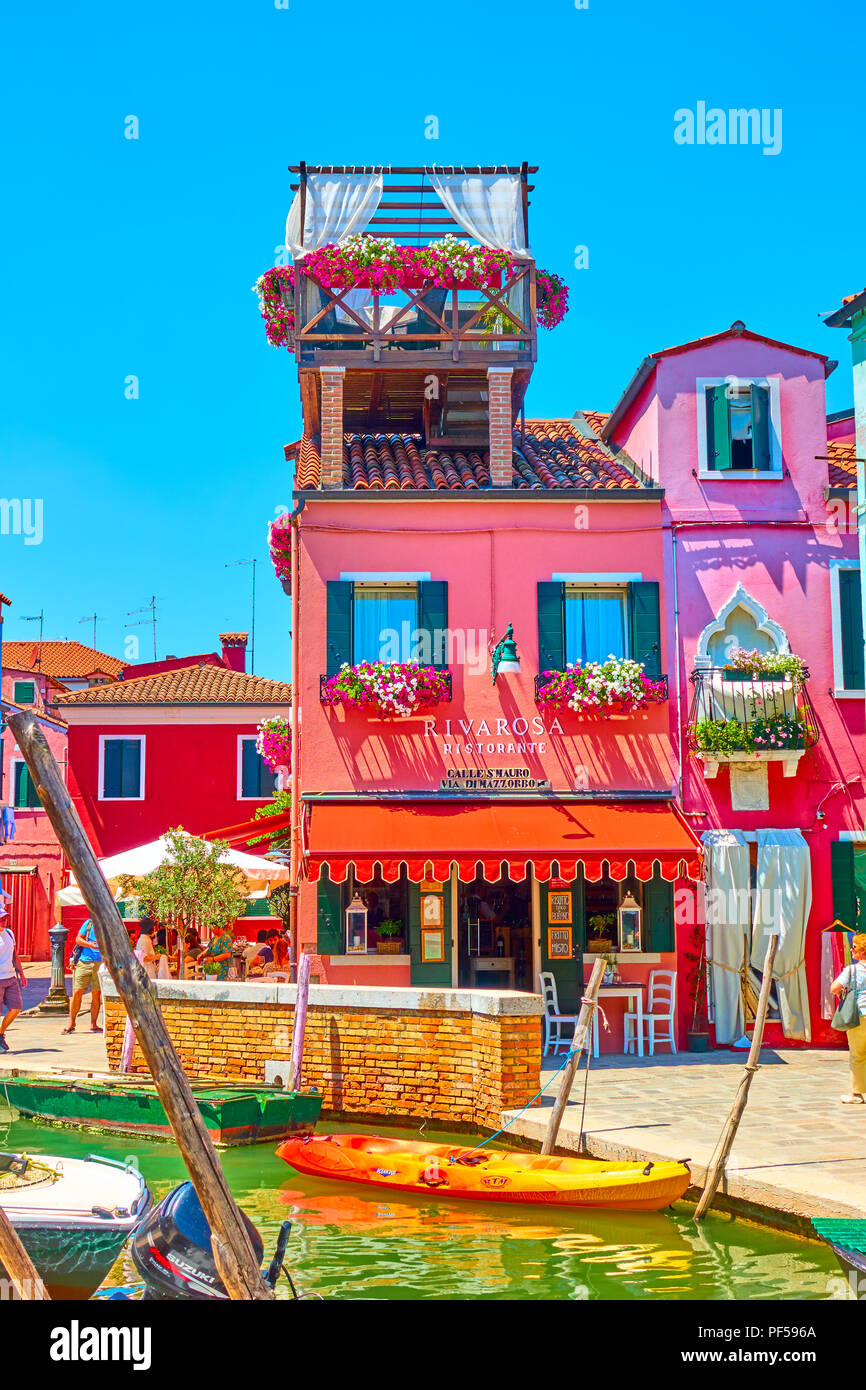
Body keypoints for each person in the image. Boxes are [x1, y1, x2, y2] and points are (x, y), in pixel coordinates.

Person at [831, 933, 866, 1104]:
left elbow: (834, 988)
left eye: (854, 948)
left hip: (859, 1016)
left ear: (861, 952)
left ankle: (857, 1094)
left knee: (858, 1054)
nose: (851, 950)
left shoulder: (851, 970)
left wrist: (841, 993)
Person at [63, 918, 103, 1034]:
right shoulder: (89, 923)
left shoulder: (107, 923)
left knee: (96, 994)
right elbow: (78, 939)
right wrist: (90, 944)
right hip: (84, 962)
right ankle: (72, 1023)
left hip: (100, 963)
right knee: (77, 992)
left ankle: (93, 1024)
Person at [0, 915, 27, 1053]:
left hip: (10, 977)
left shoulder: (9, 933)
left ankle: (0, 1033)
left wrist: (21, 974)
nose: (3, 921)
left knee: (16, 1008)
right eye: (1, 919)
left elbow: (14, 956)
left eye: (5, 919)